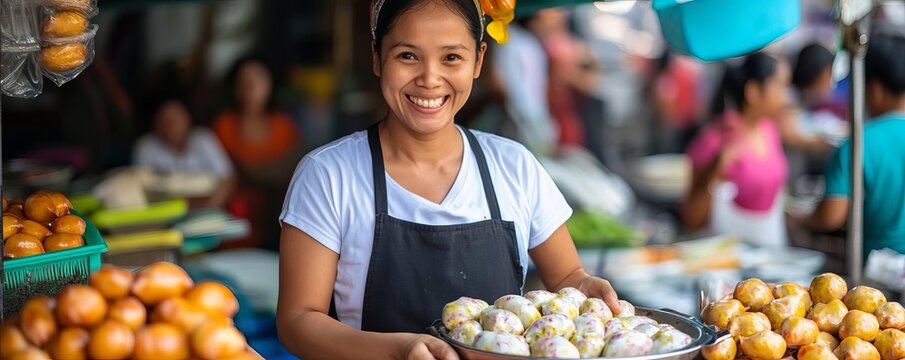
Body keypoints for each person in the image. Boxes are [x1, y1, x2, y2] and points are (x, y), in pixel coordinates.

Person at [276, 1, 622, 358]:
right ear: (378, 58)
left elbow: (566, 276)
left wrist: (584, 287)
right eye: (408, 56)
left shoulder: (514, 166)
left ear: (479, 60)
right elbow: (298, 320)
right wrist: (399, 350)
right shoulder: (329, 175)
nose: (429, 78)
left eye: (451, 58)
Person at [806, 31, 905, 256]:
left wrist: (798, 219)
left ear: (874, 89)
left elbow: (830, 217)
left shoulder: (858, 143)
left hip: (877, 279)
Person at [681, 52, 791, 247]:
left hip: (771, 258)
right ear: (754, 91)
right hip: (725, 267)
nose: (786, 97)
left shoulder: (770, 131)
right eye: (780, 86)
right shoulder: (715, 140)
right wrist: (715, 169)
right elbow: (691, 219)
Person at [133, 99, 235, 208]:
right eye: (165, 121)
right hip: (163, 211)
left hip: (206, 209)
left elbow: (227, 177)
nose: (170, 126)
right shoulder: (145, 147)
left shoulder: (204, 139)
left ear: (187, 120)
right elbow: (140, 187)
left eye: (175, 120)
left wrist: (210, 207)